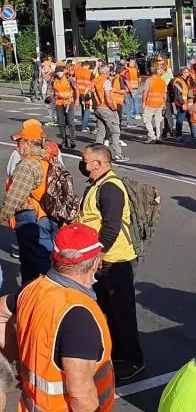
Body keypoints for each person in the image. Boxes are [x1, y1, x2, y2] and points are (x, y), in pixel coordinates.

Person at [0, 223, 115, 412]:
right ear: (94, 262)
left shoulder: (34, 288)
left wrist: (15, 357)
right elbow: (80, 393)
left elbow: (1, 311)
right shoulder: (79, 315)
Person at [77, 144, 144, 381]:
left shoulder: (110, 189)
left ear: (98, 164)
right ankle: (117, 353)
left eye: (86, 161)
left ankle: (133, 359)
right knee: (108, 310)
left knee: (122, 311)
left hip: (116, 261)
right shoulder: (98, 185)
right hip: (106, 259)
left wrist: (98, 256)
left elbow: (112, 227)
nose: (83, 165)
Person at [0, 121, 55, 284]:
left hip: (31, 216)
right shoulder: (49, 156)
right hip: (45, 214)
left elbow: (14, 198)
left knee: (35, 264)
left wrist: (3, 215)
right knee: (42, 258)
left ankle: (35, 298)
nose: (17, 146)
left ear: (30, 143)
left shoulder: (28, 164)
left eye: (20, 142)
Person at [93, 64, 129, 162]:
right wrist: (113, 108)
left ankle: (96, 154)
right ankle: (118, 154)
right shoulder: (106, 82)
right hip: (106, 108)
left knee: (101, 132)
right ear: (105, 72)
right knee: (115, 131)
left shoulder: (96, 80)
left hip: (98, 107)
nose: (110, 73)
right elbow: (108, 97)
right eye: (109, 71)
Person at [51, 65, 79, 149]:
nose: (59, 73)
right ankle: (64, 140)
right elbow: (52, 91)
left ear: (63, 72)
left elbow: (76, 89)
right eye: (58, 71)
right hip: (59, 103)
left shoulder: (68, 79)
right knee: (61, 123)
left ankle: (72, 140)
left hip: (68, 102)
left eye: (61, 71)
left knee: (71, 122)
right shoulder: (53, 80)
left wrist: (77, 100)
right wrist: (51, 99)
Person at [142, 64, 167, 144]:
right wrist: (164, 103)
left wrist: (143, 102)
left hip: (150, 104)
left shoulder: (149, 80)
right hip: (160, 104)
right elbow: (164, 94)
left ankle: (152, 136)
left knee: (147, 120)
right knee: (158, 121)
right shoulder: (162, 81)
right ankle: (159, 137)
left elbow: (145, 92)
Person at [172, 67, 191, 140]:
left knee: (191, 120)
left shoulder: (186, 80)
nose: (188, 73)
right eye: (186, 72)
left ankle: (193, 134)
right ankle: (178, 135)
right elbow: (178, 94)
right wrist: (182, 103)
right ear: (182, 73)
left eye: (188, 72)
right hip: (182, 104)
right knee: (180, 120)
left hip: (188, 104)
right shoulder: (178, 81)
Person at [75, 61, 95, 133]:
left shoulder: (77, 71)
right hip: (86, 94)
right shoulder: (90, 73)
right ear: (88, 65)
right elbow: (92, 83)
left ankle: (83, 124)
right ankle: (84, 126)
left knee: (82, 109)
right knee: (87, 110)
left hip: (78, 92)